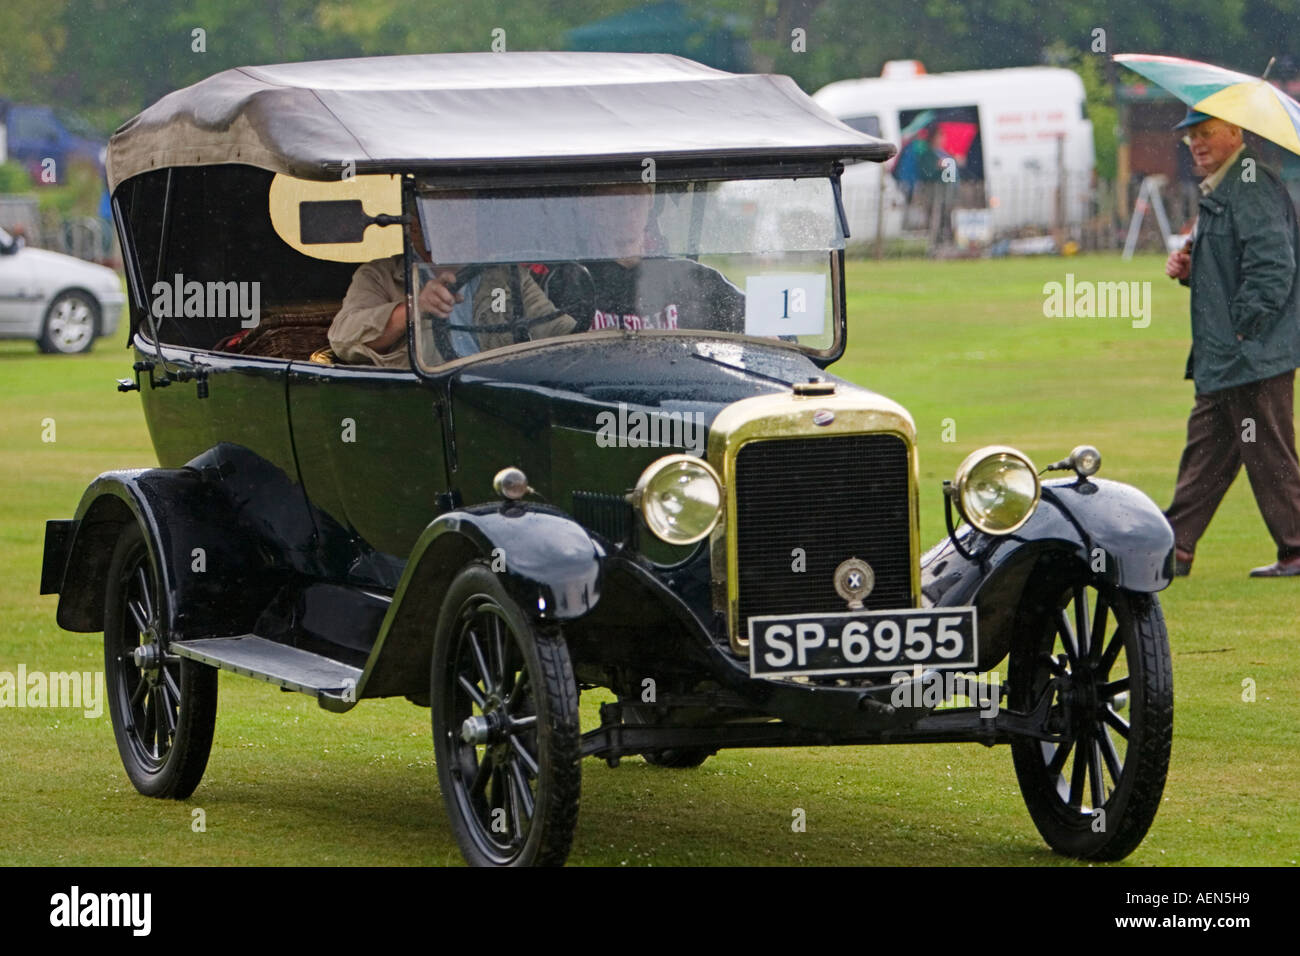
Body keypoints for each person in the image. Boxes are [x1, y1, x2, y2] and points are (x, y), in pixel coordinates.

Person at [1162, 109, 1300, 577]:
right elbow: (1231, 267)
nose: (1196, 144)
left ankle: (1297, 548)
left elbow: (1273, 266)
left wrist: (1245, 328)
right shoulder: (1226, 187)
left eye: (1205, 134)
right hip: (1225, 354)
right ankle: (1175, 548)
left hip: (1250, 352)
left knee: (1266, 449)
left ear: (1235, 133)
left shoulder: (1249, 183)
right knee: (1207, 450)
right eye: (1190, 138)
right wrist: (1190, 268)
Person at [329, 213, 573, 368]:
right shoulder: (380, 275)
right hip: (423, 403)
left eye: (467, 218)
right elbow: (343, 338)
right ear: (414, 227)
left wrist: (601, 337)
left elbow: (556, 329)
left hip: (499, 394)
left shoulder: (505, 274)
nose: (463, 228)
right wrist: (416, 308)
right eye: (447, 217)